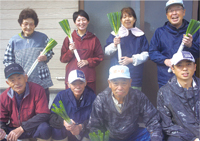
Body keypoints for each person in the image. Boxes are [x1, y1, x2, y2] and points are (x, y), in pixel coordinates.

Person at [87, 65, 163, 141]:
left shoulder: (138, 96)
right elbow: (94, 126)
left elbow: (153, 120)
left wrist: (155, 138)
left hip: (134, 135)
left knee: (154, 134)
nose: (120, 88)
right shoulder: (101, 99)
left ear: (130, 82)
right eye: (116, 83)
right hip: (111, 137)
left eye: (124, 83)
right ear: (109, 83)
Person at [3, 8, 54, 102]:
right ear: (21, 24)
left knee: (42, 109)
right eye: (25, 24)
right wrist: (16, 74)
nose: (28, 27)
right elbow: (8, 60)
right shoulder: (14, 40)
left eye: (31, 24)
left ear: (35, 25)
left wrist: (45, 57)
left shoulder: (42, 37)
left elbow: (50, 52)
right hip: (22, 83)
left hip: (41, 81)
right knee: (25, 109)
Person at [149, 0, 200, 88]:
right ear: (167, 15)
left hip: (187, 78)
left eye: (177, 9)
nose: (174, 13)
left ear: (184, 12)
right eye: (171, 10)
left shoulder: (194, 31)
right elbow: (152, 52)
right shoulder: (160, 32)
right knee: (167, 101)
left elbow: (198, 52)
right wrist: (165, 61)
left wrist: (190, 45)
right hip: (166, 78)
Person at [0, 63, 51, 141]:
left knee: (45, 128)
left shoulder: (38, 90)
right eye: (12, 80)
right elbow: (1, 119)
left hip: (33, 128)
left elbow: (43, 114)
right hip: (14, 129)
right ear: (8, 83)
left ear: (25, 78)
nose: (17, 83)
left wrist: (22, 128)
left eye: (19, 78)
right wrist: (2, 129)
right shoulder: (3, 97)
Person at [157, 51, 200, 141]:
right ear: (173, 68)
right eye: (179, 65)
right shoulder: (164, 92)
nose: (185, 69)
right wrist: (193, 138)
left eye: (188, 64)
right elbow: (167, 125)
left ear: (195, 67)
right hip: (181, 136)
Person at [104, 7, 149, 91]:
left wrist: (131, 60)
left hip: (134, 75)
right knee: (118, 99)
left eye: (130, 16)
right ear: (121, 20)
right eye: (124, 17)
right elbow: (106, 52)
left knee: (134, 100)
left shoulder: (140, 35)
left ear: (134, 19)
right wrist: (114, 44)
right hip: (117, 74)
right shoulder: (115, 34)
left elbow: (146, 54)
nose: (127, 19)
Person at [60, 10, 104, 93]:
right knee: (71, 102)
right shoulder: (69, 39)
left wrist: (88, 61)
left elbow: (100, 57)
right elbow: (63, 59)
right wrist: (70, 51)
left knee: (89, 101)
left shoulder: (94, 39)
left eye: (84, 20)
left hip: (88, 77)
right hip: (72, 79)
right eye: (78, 20)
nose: (81, 22)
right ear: (74, 22)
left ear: (88, 21)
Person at [50, 70, 96, 141]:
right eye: (74, 83)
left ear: (85, 83)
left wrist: (81, 126)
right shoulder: (61, 96)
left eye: (81, 83)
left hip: (84, 131)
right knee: (56, 130)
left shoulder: (92, 97)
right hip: (66, 131)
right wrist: (64, 122)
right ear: (68, 84)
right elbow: (51, 116)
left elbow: (97, 118)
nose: (78, 87)